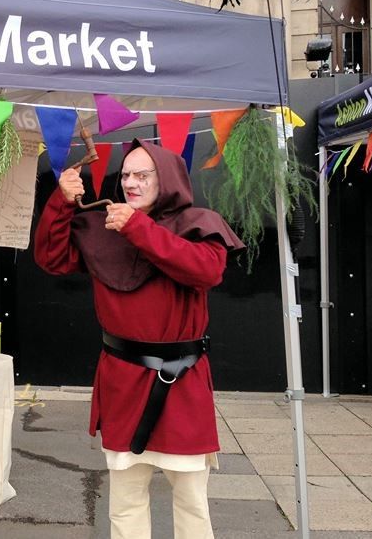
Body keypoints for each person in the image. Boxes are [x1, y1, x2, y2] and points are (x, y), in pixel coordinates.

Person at [33, 139, 243, 539]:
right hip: (123, 381)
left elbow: (204, 271)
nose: (130, 182)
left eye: (141, 175)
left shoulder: (199, 221)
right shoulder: (103, 226)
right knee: (126, 501)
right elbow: (52, 258)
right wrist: (61, 202)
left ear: (164, 179)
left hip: (182, 381)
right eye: (126, 174)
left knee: (191, 501)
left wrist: (137, 227)